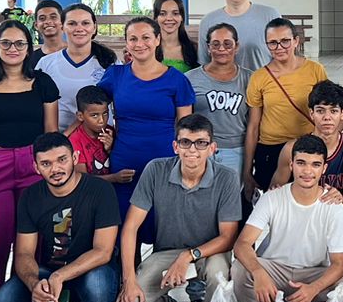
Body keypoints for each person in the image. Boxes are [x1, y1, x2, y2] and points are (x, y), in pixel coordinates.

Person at [0, 19, 60, 291]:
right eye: (6, 43)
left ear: (29, 48)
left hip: (34, 163)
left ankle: (29, 298)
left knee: (35, 238)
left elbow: (50, 134)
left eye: (20, 43)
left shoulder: (43, 82)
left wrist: (51, 170)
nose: (13, 48)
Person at [117, 115, 243, 302]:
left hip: (209, 251)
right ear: (176, 146)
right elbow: (130, 227)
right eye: (185, 142)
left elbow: (228, 237)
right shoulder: (156, 170)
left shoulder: (227, 178)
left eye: (201, 143)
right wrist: (129, 280)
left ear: (212, 148)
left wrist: (187, 256)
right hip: (167, 252)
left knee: (218, 275)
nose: (192, 150)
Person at [0, 133, 121, 302]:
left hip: (92, 268)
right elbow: (24, 253)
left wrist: (60, 276)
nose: (55, 169)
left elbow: (103, 251)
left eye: (62, 160)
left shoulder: (100, 190)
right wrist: (34, 284)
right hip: (50, 271)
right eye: (46, 164)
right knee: (5, 301)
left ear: (75, 158)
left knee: (97, 290)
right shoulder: (30, 196)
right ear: (36, 168)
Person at [232, 135, 343, 302]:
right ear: (291, 165)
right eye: (301, 163)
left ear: (324, 168)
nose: (307, 171)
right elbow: (242, 244)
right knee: (240, 269)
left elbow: (339, 264)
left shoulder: (333, 205)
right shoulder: (272, 198)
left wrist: (313, 289)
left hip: (312, 272)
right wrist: (258, 272)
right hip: (275, 269)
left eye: (315, 164)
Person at [98, 15, 197, 219]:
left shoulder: (177, 80)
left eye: (146, 37)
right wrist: (104, 138)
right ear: (126, 42)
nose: (139, 44)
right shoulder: (115, 75)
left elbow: (185, 127)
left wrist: (187, 164)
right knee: (125, 226)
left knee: (164, 226)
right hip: (125, 162)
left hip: (165, 163)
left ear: (157, 39)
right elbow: (93, 110)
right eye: (133, 39)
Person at [243, 17, 327, 200]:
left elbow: (325, 110)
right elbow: (253, 125)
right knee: (275, 204)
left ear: (296, 41)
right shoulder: (259, 78)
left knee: (307, 202)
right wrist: (247, 171)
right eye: (272, 43)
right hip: (270, 149)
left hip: (307, 147)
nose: (279, 47)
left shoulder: (315, 70)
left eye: (285, 41)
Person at [271, 82, 343, 218]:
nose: (327, 117)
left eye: (334, 111)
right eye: (320, 111)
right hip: (297, 218)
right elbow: (274, 195)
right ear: (311, 113)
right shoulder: (292, 149)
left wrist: (338, 198)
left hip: (334, 220)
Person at [37, 3, 117, 133]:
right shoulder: (46, 64)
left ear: (94, 27)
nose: (79, 28)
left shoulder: (110, 62)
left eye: (85, 23)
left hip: (100, 142)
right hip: (60, 141)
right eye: (72, 23)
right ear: (62, 27)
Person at [186, 22, 250, 180]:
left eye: (227, 44)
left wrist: (249, 165)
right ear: (208, 47)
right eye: (215, 44)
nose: (221, 49)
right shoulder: (190, 78)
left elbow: (253, 124)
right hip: (200, 150)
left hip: (236, 152)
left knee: (229, 201)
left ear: (236, 46)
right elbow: (183, 120)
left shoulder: (250, 79)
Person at [198, 0, 284, 73]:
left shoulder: (270, 15)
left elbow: (282, 59)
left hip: (263, 88)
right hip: (223, 89)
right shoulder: (208, 21)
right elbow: (205, 65)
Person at [67, 85, 117, 178]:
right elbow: (83, 179)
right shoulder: (75, 140)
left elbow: (118, 162)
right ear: (80, 116)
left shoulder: (110, 132)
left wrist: (109, 149)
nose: (101, 120)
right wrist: (115, 178)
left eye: (105, 113)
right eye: (94, 115)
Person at [153, 0, 199, 72]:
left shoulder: (195, 49)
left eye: (175, 13)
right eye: (163, 14)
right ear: (156, 18)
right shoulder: (149, 48)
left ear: (181, 17)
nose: (169, 18)